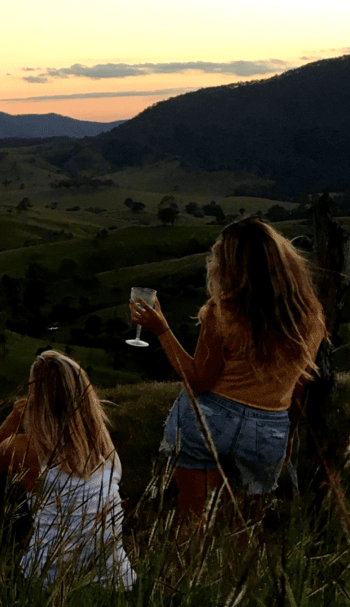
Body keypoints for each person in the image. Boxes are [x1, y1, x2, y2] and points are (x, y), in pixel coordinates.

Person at [130, 216, 327, 520]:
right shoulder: (308, 317)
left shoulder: (221, 313)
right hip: (269, 423)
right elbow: (299, 385)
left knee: (192, 521)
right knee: (243, 530)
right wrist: (287, 434)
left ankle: (188, 566)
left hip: (208, 418)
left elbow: (199, 381)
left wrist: (162, 331)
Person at [0, 351, 136, 590]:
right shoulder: (103, 443)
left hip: (50, 584)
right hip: (117, 581)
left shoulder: (25, 448)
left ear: (36, 397)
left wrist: (14, 417)